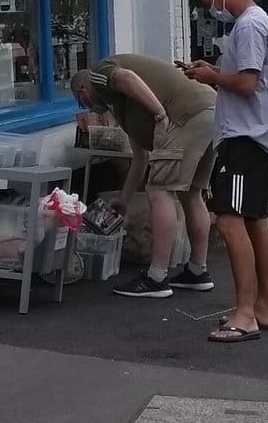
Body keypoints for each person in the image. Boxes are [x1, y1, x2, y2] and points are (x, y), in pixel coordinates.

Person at [181, 0, 268, 342]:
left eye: (210, 1)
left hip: (243, 137)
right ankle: (265, 307)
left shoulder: (249, 25)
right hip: (255, 136)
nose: (212, 9)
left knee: (228, 217)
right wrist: (213, 71)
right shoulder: (258, 22)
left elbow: (246, 82)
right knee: (254, 220)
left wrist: (212, 77)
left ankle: (245, 312)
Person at [72, 54, 218, 298]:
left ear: (83, 90)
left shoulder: (99, 73)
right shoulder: (123, 107)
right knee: (191, 193)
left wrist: (160, 114)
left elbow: (127, 77)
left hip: (186, 116)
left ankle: (157, 277)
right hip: (210, 112)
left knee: (159, 190)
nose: (86, 105)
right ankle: (197, 272)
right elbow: (140, 158)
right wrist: (124, 199)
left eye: (81, 100)